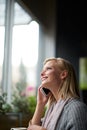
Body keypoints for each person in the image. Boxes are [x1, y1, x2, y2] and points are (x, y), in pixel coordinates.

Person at [27, 57, 87, 130]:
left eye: (48, 68)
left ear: (63, 74)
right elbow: (32, 128)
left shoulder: (76, 108)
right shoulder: (52, 108)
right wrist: (40, 104)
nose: (42, 73)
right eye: (43, 70)